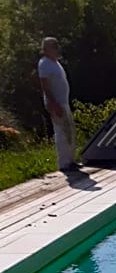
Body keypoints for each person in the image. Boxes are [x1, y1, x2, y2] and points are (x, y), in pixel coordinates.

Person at [37, 37, 79, 173]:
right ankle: (64, 163)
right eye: (54, 47)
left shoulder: (55, 63)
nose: (57, 49)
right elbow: (45, 86)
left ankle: (71, 160)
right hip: (56, 103)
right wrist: (53, 104)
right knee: (62, 132)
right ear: (47, 49)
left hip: (63, 101)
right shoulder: (44, 64)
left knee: (69, 131)